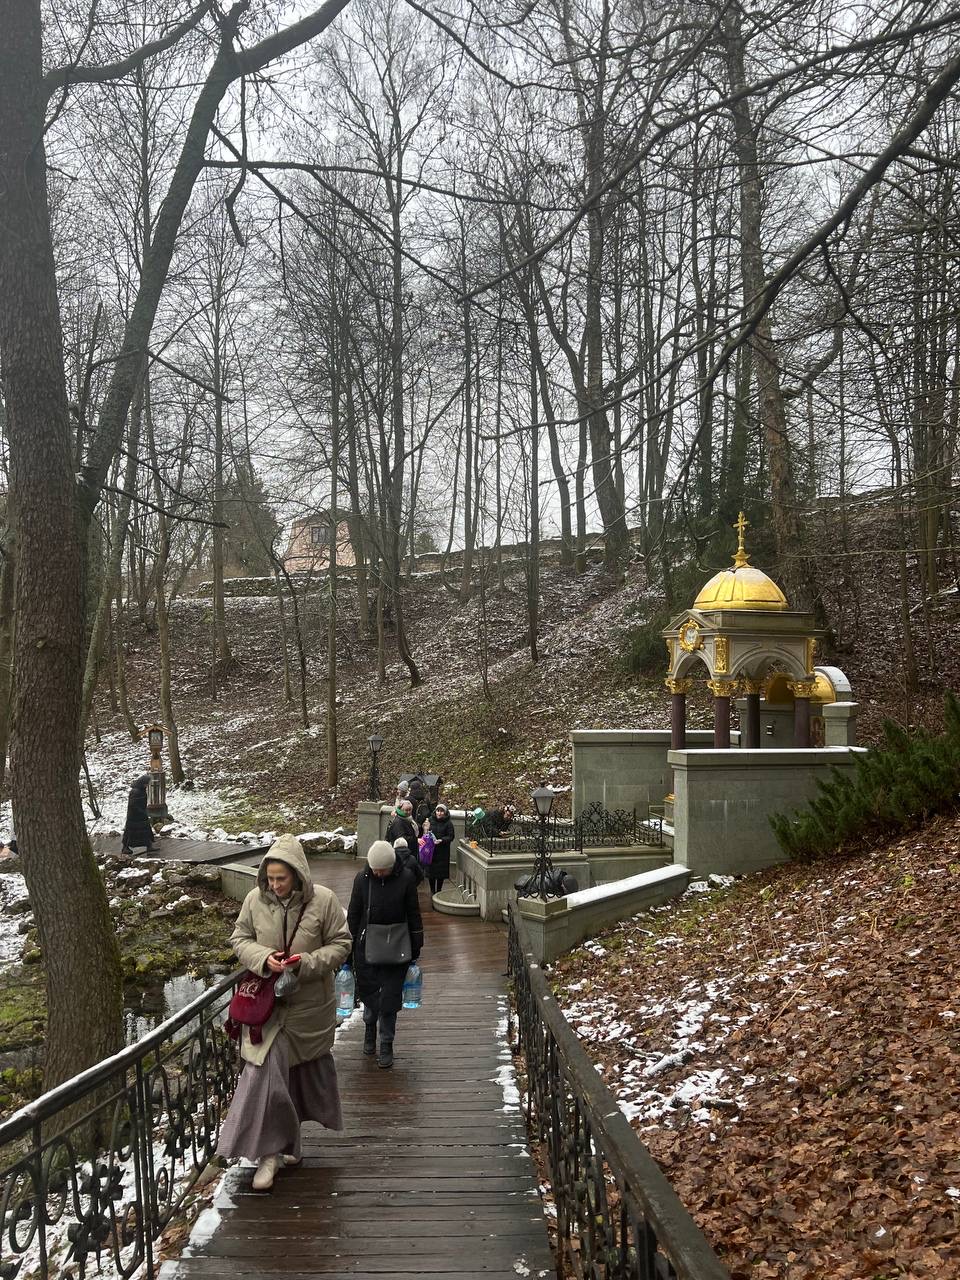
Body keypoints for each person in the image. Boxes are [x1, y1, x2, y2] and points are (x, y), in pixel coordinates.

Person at [217, 835, 352, 1192]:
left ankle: (290, 1144)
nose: (275, 885)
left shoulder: (324, 901)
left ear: (297, 874)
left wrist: (305, 963)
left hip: (308, 1008)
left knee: (296, 1076)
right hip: (267, 1010)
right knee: (265, 1073)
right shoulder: (254, 900)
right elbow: (239, 938)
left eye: (282, 878)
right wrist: (264, 958)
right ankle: (269, 1153)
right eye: (270, 878)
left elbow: (342, 944)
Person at [347, 839, 423, 1069]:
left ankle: (387, 1043)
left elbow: (413, 913)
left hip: (396, 948)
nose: (379, 873)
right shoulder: (362, 879)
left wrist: (416, 945)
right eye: (375, 869)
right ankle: (369, 1031)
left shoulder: (406, 879)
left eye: (383, 870)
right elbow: (354, 913)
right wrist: (350, 943)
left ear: (392, 866)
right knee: (370, 994)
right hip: (367, 947)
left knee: (389, 999)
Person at [121, 774, 156, 854]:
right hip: (134, 816)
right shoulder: (135, 791)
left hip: (141, 814)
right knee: (130, 832)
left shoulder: (141, 789)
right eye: (147, 783)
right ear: (143, 783)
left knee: (146, 830)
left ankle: (149, 845)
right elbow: (133, 805)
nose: (147, 785)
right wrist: (141, 812)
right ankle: (125, 847)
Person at [428, 802, 455, 903]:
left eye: (441, 811)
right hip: (432, 850)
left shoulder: (448, 823)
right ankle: (432, 890)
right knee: (431, 872)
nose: (439, 813)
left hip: (443, 851)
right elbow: (425, 832)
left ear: (445, 812)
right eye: (438, 811)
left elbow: (451, 836)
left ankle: (439, 890)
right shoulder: (430, 820)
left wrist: (442, 840)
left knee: (440, 873)